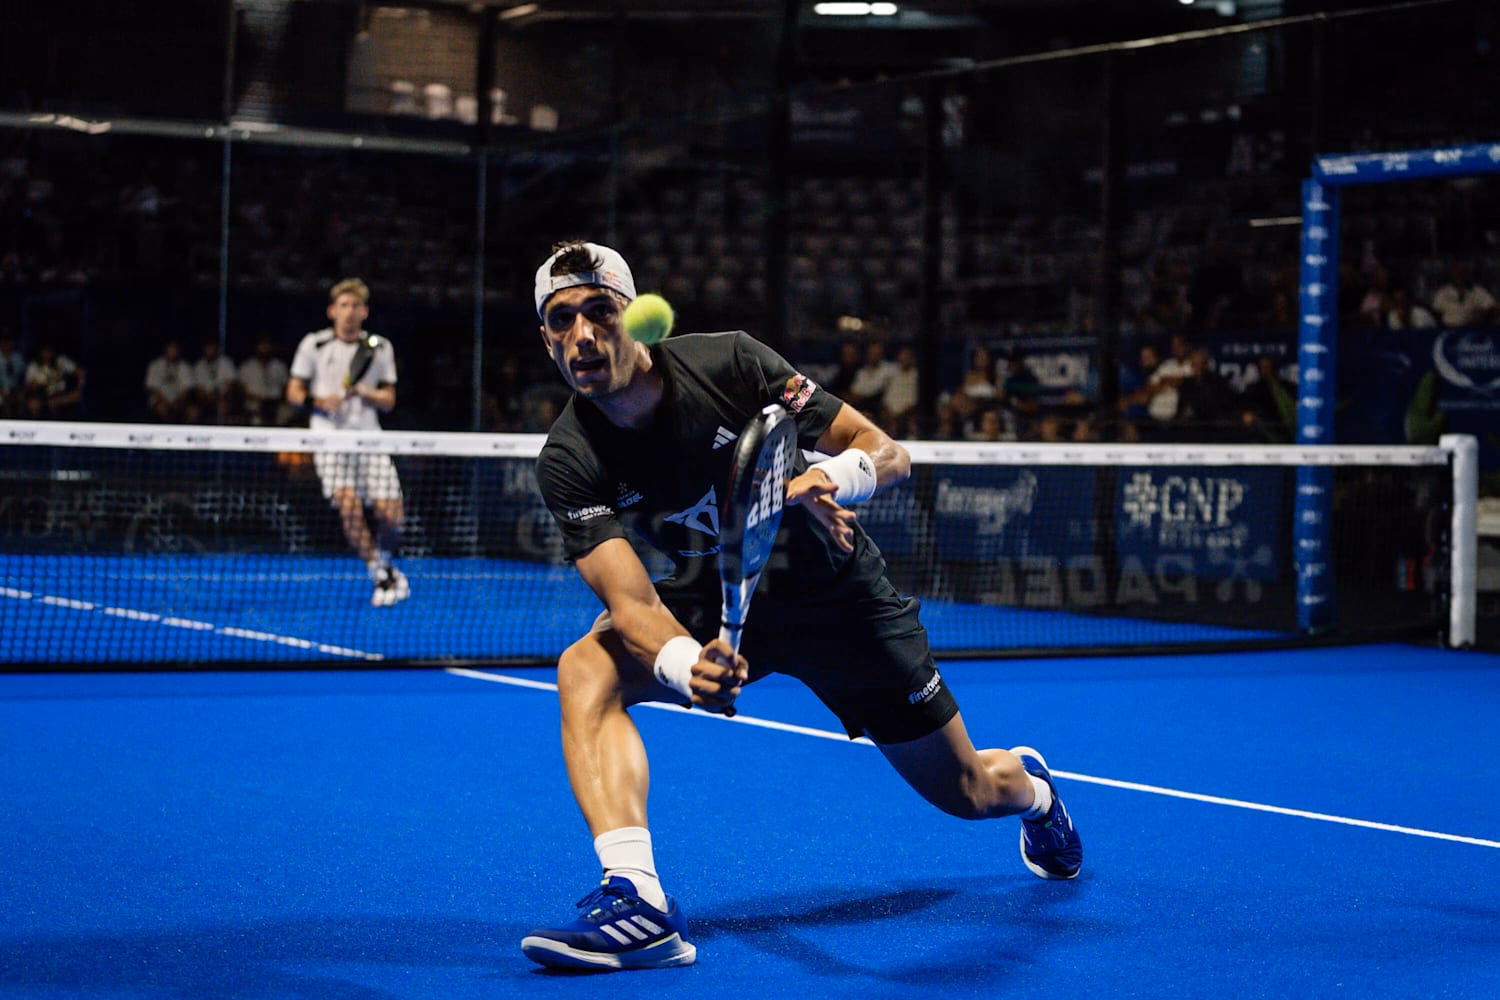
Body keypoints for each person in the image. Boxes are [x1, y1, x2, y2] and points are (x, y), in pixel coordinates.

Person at [522, 241, 1081, 972]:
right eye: (562, 321)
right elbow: (627, 600)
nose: (583, 336)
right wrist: (691, 664)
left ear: (636, 318)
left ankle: (1036, 794)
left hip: (836, 599)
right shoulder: (569, 456)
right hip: (713, 591)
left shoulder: (731, 364)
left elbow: (887, 450)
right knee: (585, 667)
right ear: (546, 338)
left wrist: (831, 480)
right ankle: (639, 900)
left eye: (599, 312)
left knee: (969, 790)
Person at [286, 278, 409, 608]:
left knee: (393, 518)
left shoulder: (379, 348)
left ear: (365, 311)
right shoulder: (314, 345)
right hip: (328, 440)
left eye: (356, 306)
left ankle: (383, 560)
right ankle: (378, 574)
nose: (350, 312)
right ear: (331, 311)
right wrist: (316, 400)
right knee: (349, 507)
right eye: (343, 306)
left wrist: (367, 393)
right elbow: (294, 392)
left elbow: (389, 399)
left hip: (369, 439)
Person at [238, 335, 293, 426]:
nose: (264, 348)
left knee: (286, 413)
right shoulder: (247, 367)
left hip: (276, 406)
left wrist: (274, 400)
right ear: (256, 347)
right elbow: (241, 390)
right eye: (261, 345)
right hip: (254, 407)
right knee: (255, 418)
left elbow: (286, 388)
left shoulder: (279, 366)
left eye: (267, 345)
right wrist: (259, 400)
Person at [22, 343, 84, 419]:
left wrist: (79, 387)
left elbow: (80, 372)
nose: (47, 354)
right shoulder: (34, 366)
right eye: (44, 352)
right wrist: (37, 382)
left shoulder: (61, 361)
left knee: (76, 396)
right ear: (40, 353)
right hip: (43, 395)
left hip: (61, 394)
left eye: (49, 351)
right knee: (34, 403)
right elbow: (28, 388)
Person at [1430, 260, 1498, 328]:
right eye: (1457, 272)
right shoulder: (1443, 292)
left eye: (1464, 271)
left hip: (1472, 331)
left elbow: (1492, 308)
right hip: (1447, 331)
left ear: (1468, 273)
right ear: (1452, 273)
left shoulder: (1478, 292)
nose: (1460, 274)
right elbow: (1435, 312)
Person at [144, 338, 197, 423]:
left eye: (175, 349)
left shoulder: (185, 366)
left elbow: (188, 389)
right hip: (160, 401)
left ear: (179, 351)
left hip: (180, 401)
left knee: (193, 412)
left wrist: (177, 401)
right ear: (165, 349)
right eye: (170, 348)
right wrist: (166, 402)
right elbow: (152, 388)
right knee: (162, 408)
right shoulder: (155, 365)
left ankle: (183, 432)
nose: (172, 351)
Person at [191, 338, 239, 424]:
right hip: (205, 400)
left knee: (222, 406)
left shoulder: (225, 362)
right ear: (204, 349)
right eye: (208, 348)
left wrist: (222, 396)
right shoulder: (199, 366)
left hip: (224, 398)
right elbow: (199, 390)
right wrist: (210, 398)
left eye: (212, 348)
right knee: (193, 411)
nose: (210, 350)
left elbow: (232, 383)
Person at [0, 331, 25, 417]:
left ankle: (18, 423)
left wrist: (19, 390)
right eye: (4, 342)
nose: (6, 345)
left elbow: (22, 377)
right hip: (1, 389)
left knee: (20, 398)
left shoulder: (18, 358)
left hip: (14, 389)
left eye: (8, 342)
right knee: (3, 399)